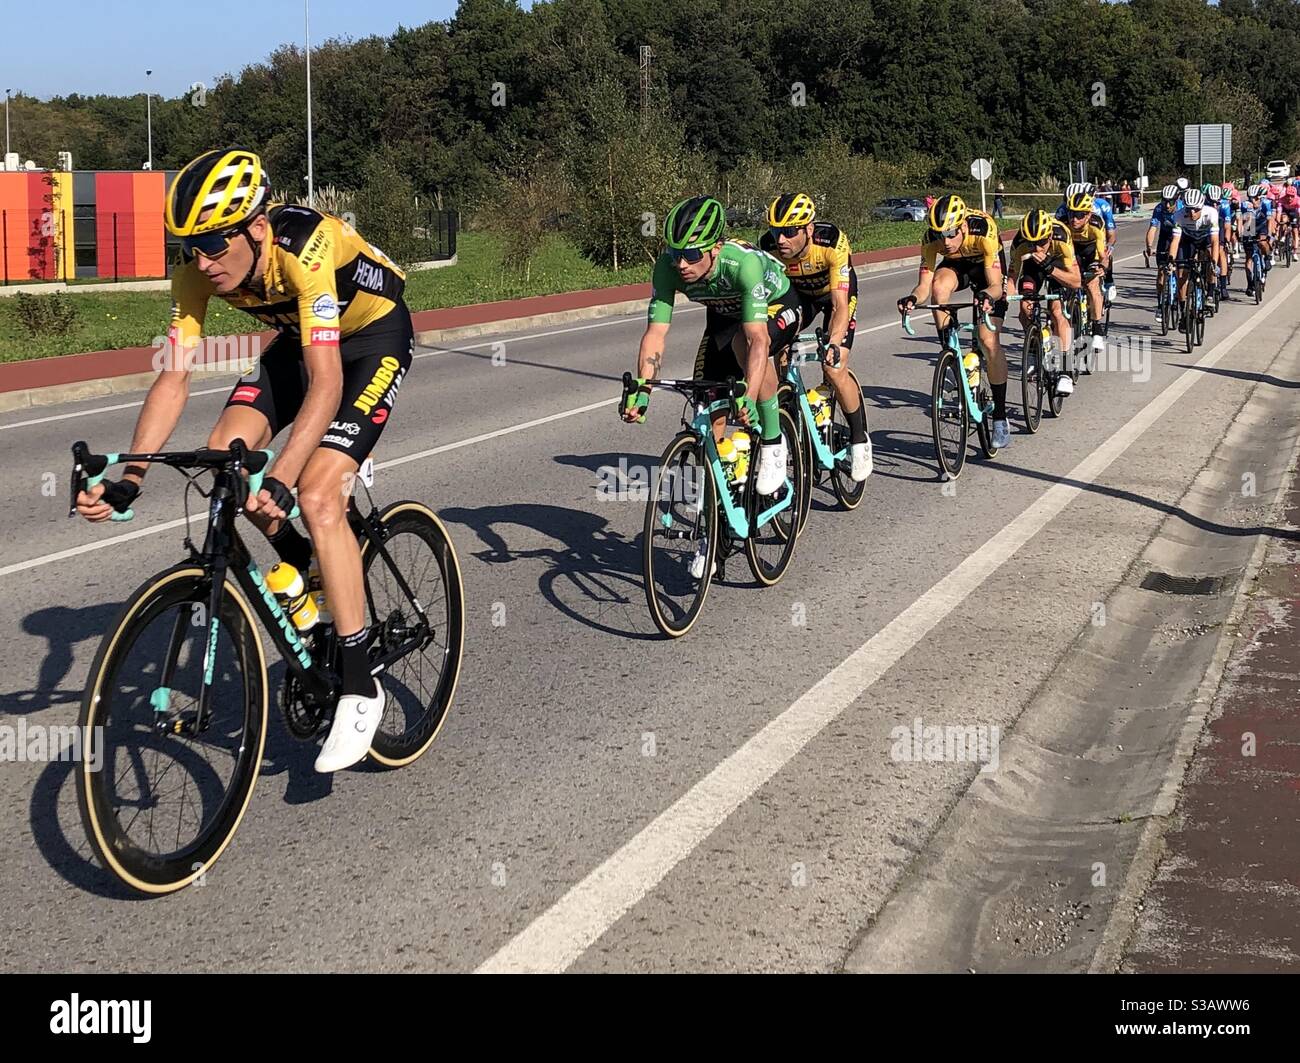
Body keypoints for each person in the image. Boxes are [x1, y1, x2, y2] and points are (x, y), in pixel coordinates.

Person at [75, 147, 414, 773]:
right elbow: (173, 379)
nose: (202, 262)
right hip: (298, 342)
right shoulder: (196, 274)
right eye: (189, 248)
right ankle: (304, 563)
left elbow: (328, 385)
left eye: (213, 245)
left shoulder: (307, 249)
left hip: (371, 340)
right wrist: (131, 477)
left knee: (313, 493)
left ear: (256, 228)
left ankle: (360, 677)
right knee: (227, 459)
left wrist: (285, 477)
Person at [626, 195, 800, 577]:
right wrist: (643, 389)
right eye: (675, 253)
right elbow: (656, 334)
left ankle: (773, 441)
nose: (681, 263)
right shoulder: (669, 268)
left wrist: (750, 396)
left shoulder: (745, 265)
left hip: (775, 305)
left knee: (745, 348)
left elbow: (757, 340)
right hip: (724, 315)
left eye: (691, 255)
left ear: (716, 248)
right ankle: (715, 532)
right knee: (709, 405)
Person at [760, 193, 872, 480]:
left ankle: (859, 440)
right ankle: (790, 412)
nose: (781, 239)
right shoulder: (769, 249)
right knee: (779, 347)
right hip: (799, 297)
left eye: (788, 232)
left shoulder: (830, 241)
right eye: (775, 231)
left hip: (833, 294)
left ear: (808, 229)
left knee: (834, 369)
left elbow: (839, 305)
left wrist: (834, 343)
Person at [896, 194, 1012, 448]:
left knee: (988, 340)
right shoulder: (932, 240)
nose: (945, 242)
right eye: (940, 235)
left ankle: (1001, 417)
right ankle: (951, 352)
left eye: (950, 234)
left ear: (963, 226)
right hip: (957, 267)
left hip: (986, 270)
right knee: (939, 287)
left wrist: (986, 296)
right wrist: (913, 299)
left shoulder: (983, 228)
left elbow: (994, 285)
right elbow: (924, 285)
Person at [1007, 209, 1082, 397]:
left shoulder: (1061, 236)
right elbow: (1012, 276)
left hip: (1057, 265)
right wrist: (1006, 295)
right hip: (1033, 267)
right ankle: (1033, 351)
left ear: (1049, 236)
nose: (1036, 248)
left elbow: (1076, 281)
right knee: (1025, 306)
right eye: (1031, 243)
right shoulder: (1019, 243)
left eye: (1041, 242)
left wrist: (1049, 266)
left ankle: (1065, 371)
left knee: (1057, 311)